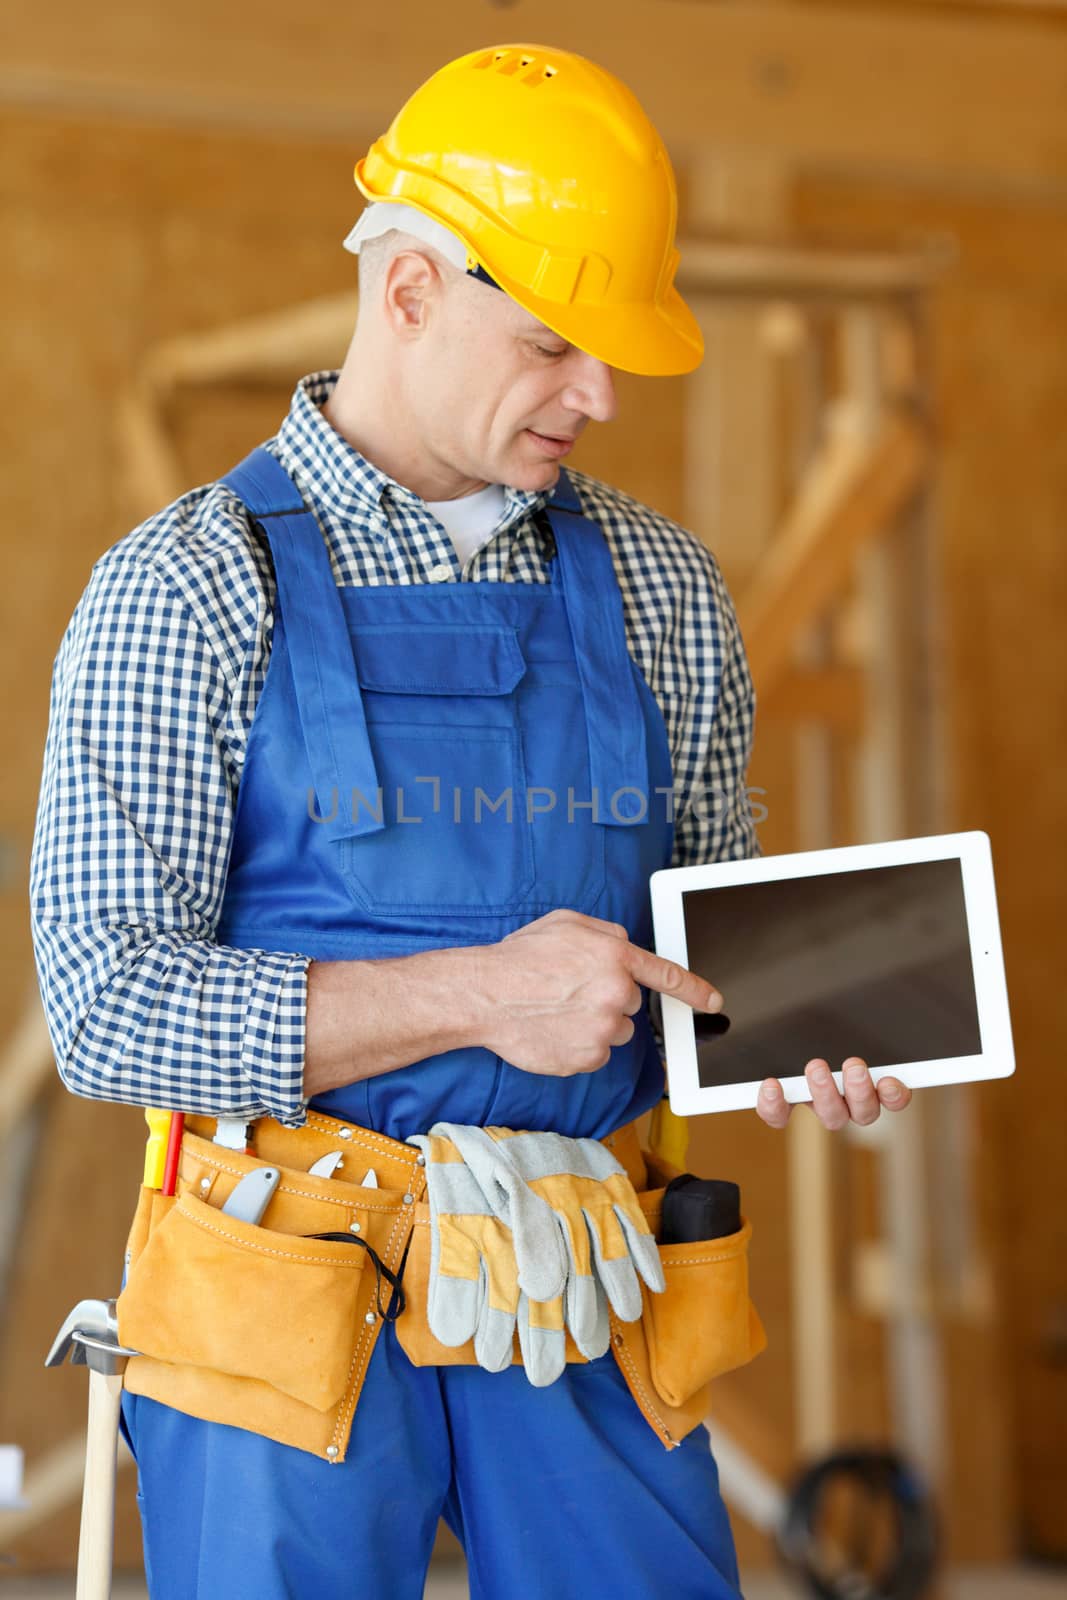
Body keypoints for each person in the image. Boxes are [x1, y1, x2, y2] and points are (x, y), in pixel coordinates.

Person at [29, 42, 912, 1600]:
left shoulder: (663, 590)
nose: (602, 394)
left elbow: (709, 936)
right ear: (413, 290)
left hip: (584, 1286)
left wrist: (792, 1022)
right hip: (279, 1296)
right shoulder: (182, 588)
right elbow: (106, 1011)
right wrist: (486, 996)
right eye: (559, 341)